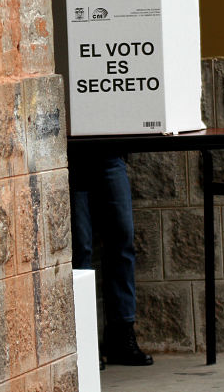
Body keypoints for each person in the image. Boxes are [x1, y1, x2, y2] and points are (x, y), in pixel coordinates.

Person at [69, 146, 152, 367]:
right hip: (70, 156)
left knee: (122, 242)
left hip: (109, 152)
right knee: (79, 251)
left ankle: (121, 336)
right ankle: (84, 343)